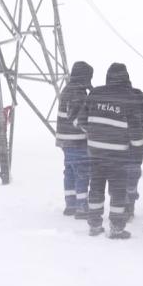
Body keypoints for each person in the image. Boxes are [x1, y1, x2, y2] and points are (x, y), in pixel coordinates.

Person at [74, 63, 143, 239]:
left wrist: (95, 134)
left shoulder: (95, 94)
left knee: (96, 188)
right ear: (126, 77)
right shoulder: (129, 97)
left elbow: (80, 121)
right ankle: (116, 227)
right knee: (118, 191)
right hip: (118, 155)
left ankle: (94, 225)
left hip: (96, 153)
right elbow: (136, 131)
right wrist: (137, 155)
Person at [55, 61, 94, 217]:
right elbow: (76, 118)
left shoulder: (67, 89)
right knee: (82, 172)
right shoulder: (78, 92)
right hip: (77, 140)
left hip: (65, 141)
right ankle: (82, 206)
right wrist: (90, 131)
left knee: (70, 171)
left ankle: (70, 204)